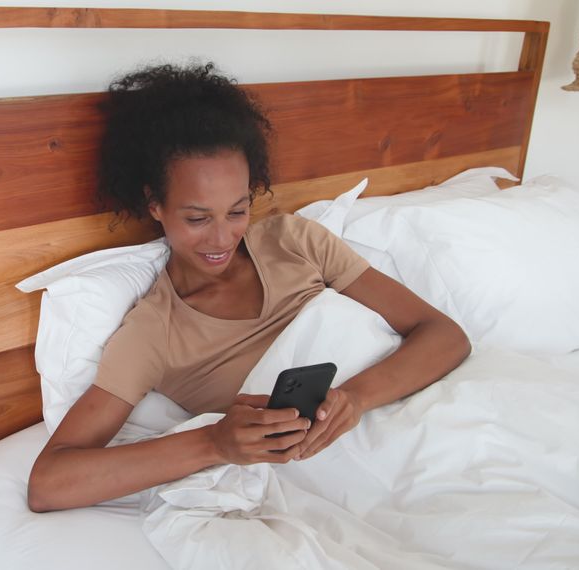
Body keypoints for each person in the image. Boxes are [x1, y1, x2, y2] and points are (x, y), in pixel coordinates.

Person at [27, 63, 470, 513]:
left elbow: (445, 334)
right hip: (346, 476)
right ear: (154, 204)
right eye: (198, 219)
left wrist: (356, 398)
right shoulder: (154, 332)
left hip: (420, 423)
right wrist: (214, 443)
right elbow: (48, 484)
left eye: (238, 211)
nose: (222, 239)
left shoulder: (296, 242)